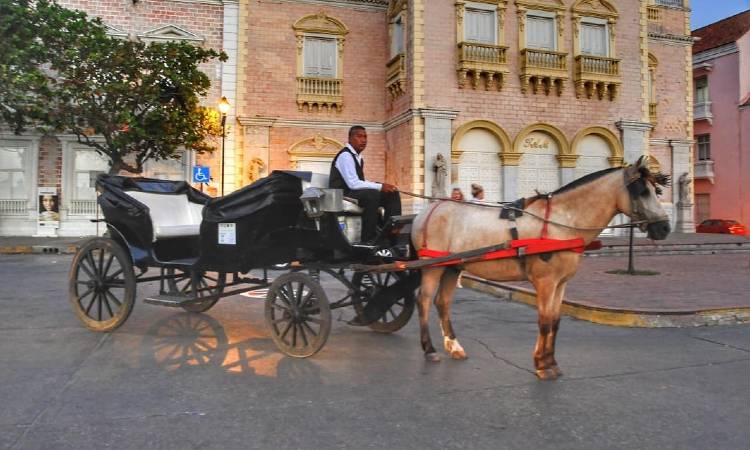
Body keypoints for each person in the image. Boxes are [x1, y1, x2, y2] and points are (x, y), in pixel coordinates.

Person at [329, 125, 401, 244]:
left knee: (392, 193)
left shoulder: (359, 157)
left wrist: (381, 186)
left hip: (353, 192)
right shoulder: (345, 156)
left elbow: (359, 182)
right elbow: (353, 183)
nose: (364, 140)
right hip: (342, 193)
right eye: (359, 136)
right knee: (372, 195)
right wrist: (379, 186)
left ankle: (390, 232)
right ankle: (368, 240)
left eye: (365, 137)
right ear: (350, 138)